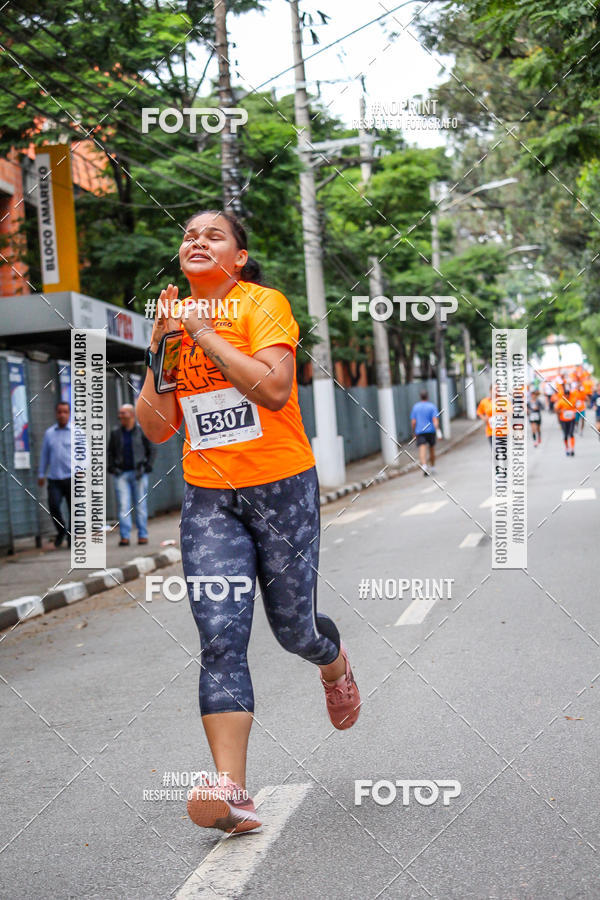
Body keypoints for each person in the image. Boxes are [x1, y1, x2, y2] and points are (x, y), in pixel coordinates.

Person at [136, 210, 360, 836]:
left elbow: (275, 389)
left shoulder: (263, 303)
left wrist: (205, 336)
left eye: (213, 235)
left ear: (238, 258)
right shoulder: (173, 328)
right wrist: (160, 346)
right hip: (211, 497)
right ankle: (230, 789)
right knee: (220, 635)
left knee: (295, 631)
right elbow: (155, 427)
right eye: (188, 235)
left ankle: (334, 661)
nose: (197, 241)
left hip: (282, 485)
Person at [107, 404, 155, 546]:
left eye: (123, 413)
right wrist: (112, 467)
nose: (120, 416)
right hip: (121, 474)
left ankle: (143, 535)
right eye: (119, 413)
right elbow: (110, 452)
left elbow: (152, 450)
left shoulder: (141, 431)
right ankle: (125, 536)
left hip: (138, 473)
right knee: (123, 506)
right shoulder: (116, 433)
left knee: (140, 505)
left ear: (132, 415)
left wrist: (148, 466)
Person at [37, 401, 72, 549]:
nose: (62, 415)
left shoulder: (77, 433)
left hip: (72, 477)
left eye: (65, 412)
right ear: (56, 414)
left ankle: (71, 537)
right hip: (54, 478)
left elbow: (85, 455)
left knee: (74, 510)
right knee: (53, 506)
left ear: (69, 414)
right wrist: (41, 473)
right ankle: (61, 530)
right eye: (60, 412)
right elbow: (45, 455)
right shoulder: (49, 434)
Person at [410, 389, 440, 476]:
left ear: (420, 397)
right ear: (427, 396)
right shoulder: (432, 406)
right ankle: (433, 467)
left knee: (422, 449)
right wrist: (438, 431)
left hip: (420, 431)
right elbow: (435, 421)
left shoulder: (416, 407)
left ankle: (424, 466)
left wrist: (413, 431)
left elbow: (413, 422)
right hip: (431, 431)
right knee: (431, 449)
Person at [555, 386, 577, 456]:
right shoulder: (561, 401)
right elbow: (556, 410)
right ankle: (567, 448)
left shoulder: (573, 400)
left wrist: (574, 411)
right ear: (564, 395)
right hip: (563, 420)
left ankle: (572, 449)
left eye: (568, 394)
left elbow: (576, 408)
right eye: (566, 394)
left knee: (571, 433)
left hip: (571, 419)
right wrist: (561, 411)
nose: (567, 395)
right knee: (565, 435)